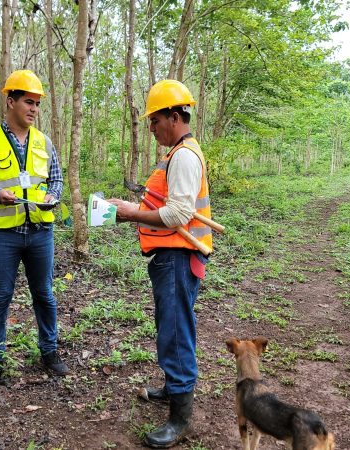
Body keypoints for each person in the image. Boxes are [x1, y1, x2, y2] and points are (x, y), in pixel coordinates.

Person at [109, 79, 213, 448]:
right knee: (170, 326)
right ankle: (173, 388)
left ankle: (180, 418)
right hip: (172, 257)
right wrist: (134, 207)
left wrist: (129, 214)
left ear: (174, 117)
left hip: (179, 257)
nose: (151, 128)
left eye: (155, 120)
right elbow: (167, 205)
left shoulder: (183, 156)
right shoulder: (177, 153)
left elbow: (178, 215)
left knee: (175, 331)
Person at [0, 69, 69, 382]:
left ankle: (49, 351)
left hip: (40, 232)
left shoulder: (44, 142)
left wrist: (53, 195)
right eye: (28, 102)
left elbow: (56, 179)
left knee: (44, 294)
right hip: (3, 235)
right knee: (0, 296)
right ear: (10, 101)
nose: (34, 109)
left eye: (37, 104)